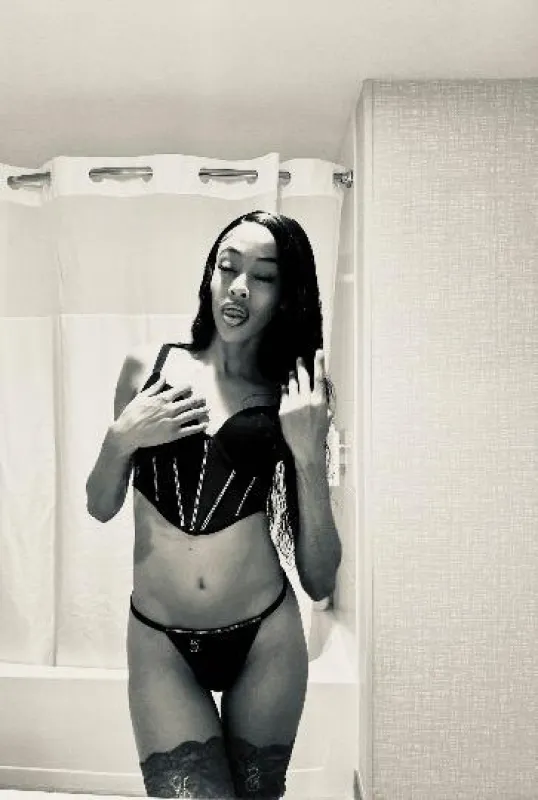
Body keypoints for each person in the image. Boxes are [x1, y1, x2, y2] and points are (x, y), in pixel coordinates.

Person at [85, 210, 342, 799]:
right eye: (228, 267)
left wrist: (308, 453)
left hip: (266, 638)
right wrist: (122, 438)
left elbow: (320, 578)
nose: (240, 286)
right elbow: (100, 505)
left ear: (286, 294)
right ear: (210, 274)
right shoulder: (147, 367)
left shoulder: (293, 395)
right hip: (161, 643)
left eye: (264, 276)